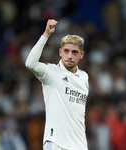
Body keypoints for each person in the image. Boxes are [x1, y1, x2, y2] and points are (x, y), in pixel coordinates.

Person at [25, 19, 89, 150]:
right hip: (56, 143)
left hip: (80, 145)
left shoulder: (84, 77)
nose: (69, 56)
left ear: (81, 55)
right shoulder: (52, 73)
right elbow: (30, 64)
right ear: (60, 52)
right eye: (66, 51)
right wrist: (46, 34)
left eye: (74, 52)